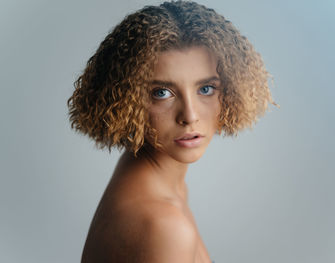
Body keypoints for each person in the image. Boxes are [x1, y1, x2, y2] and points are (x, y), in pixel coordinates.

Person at [67, 1, 278, 262]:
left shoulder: (149, 177)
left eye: (206, 89)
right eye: (161, 93)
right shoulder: (164, 225)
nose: (190, 116)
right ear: (125, 99)